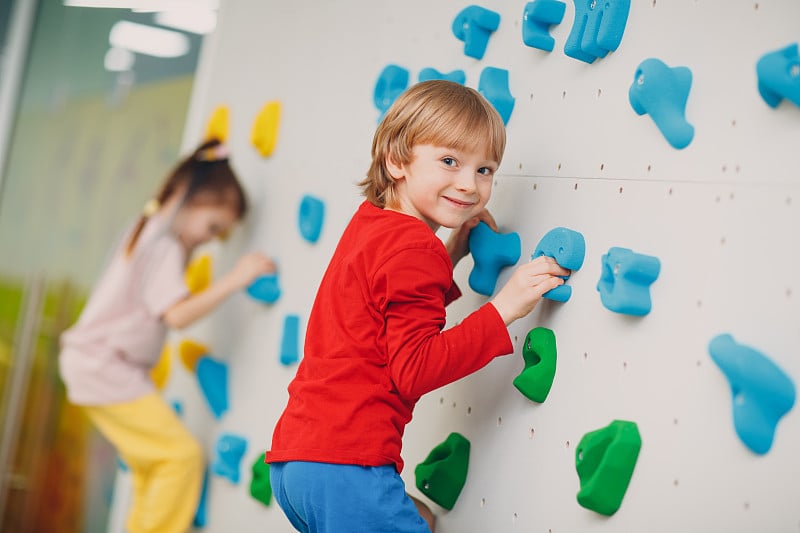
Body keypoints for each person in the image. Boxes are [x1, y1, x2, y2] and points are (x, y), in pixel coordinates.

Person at [266, 80, 569, 532]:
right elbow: (416, 367)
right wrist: (504, 307)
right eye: (450, 161)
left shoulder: (372, 224)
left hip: (298, 463)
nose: (469, 185)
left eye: (485, 170)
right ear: (396, 160)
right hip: (349, 464)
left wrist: (449, 252)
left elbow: (382, 304)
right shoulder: (414, 248)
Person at [59, 139, 275, 533]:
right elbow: (176, 315)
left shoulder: (148, 229)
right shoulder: (165, 246)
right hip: (104, 364)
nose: (209, 239)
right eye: (213, 228)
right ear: (188, 197)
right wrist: (236, 279)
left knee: (152, 468)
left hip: (98, 363)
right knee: (180, 458)